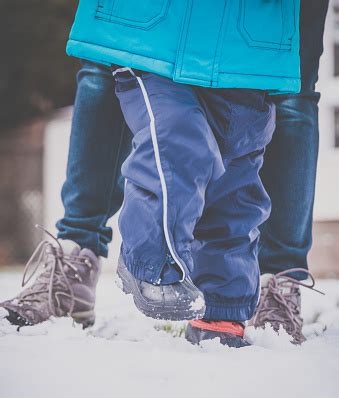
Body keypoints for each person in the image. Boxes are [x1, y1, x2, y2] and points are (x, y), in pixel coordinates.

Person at [1, 0, 327, 345]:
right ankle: (126, 260)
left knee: (238, 173)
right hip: (156, 30)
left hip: (255, 41)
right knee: (174, 139)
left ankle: (232, 301)